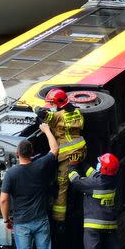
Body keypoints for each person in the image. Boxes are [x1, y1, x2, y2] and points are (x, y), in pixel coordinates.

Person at [0, 122, 59, 249]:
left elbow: (3, 199)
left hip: (22, 223)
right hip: (41, 220)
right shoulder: (41, 166)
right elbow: (55, 149)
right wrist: (47, 130)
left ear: (18, 154)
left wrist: (6, 219)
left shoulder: (11, 174)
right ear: (32, 153)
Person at [69, 153, 125, 249]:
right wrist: (82, 163)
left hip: (93, 227)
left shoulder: (94, 184)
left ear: (103, 168)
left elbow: (75, 180)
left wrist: (72, 166)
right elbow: (94, 173)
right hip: (110, 224)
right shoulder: (111, 180)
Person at [36, 88, 85, 223]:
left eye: (51, 104)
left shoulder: (58, 116)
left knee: (62, 186)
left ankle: (59, 220)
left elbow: (43, 114)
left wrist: (36, 109)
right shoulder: (77, 112)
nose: (50, 106)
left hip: (67, 155)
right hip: (80, 151)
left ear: (58, 104)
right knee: (78, 176)